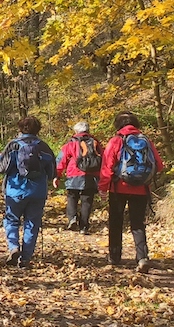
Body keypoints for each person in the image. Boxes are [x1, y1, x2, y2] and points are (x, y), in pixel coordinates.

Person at [99, 112, 164, 272]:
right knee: (138, 223)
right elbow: (159, 165)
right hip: (141, 189)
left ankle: (114, 257)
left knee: (116, 222)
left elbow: (107, 167)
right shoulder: (146, 141)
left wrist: (103, 187)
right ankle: (142, 257)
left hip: (118, 187)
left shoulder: (116, 141)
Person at [0, 116, 57, 269]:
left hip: (14, 191)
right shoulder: (44, 147)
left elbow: (1, 168)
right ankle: (25, 258)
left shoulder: (13, 145)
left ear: (20, 128)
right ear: (38, 129)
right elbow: (52, 173)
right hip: (37, 192)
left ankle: (13, 247)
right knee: (32, 223)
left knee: (11, 220)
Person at [54, 120, 102, 233]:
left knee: (72, 197)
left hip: (74, 174)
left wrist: (57, 175)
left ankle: (72, 219)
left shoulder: (71, 143)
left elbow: (61, 160)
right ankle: (84, 226)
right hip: (92, 175)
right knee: (87, 200)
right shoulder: (95, 142)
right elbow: (103, 159)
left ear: (76, 131)